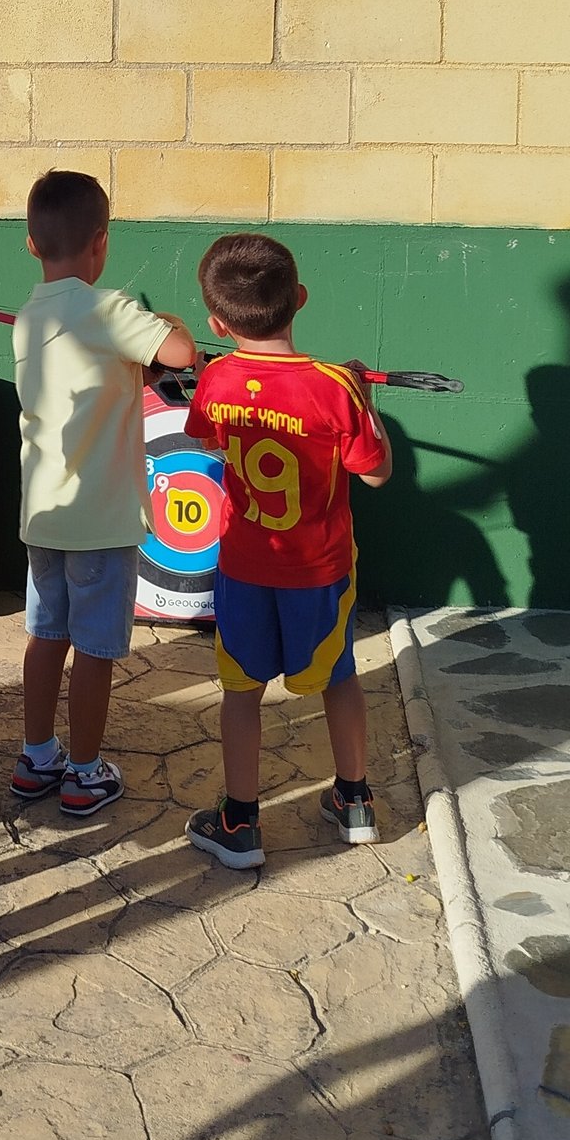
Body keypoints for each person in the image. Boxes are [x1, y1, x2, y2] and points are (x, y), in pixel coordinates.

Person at [181, 232, 393, 870]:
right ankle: (354, 802)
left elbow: (213, 441)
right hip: (319, 571)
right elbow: (377, 474)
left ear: (218, 321)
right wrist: (363, 398)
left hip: (244, 566)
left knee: (241, 689)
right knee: (339, 676)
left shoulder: (216, 376)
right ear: (299, 299)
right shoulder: (336, 387)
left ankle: (239, 821)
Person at [10, 171, 197, 818]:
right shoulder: (109, 307)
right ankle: (84, 772)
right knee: (94, 647)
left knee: (45, 634)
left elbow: (112, 370)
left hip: (44, 515)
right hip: (101, 521)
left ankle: (36, 756)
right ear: (100, 243)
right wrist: (162, 319)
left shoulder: (31, 315)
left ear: (32, 244)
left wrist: (134, 360)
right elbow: (181, 352)